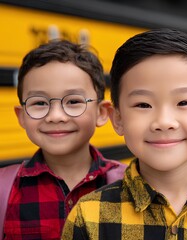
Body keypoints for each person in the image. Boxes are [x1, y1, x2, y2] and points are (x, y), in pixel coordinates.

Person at [61, 28, 187, 240]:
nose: (163, 122)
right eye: (143, 104)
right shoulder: (88, 217)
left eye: (184, 102)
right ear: (118, 118)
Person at [0, 40, 127, 240]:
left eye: (74, 101)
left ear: (102, 112)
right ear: (21, 116)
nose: (56, 116)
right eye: (40, 103)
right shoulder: (3, 191)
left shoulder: (130, 184)